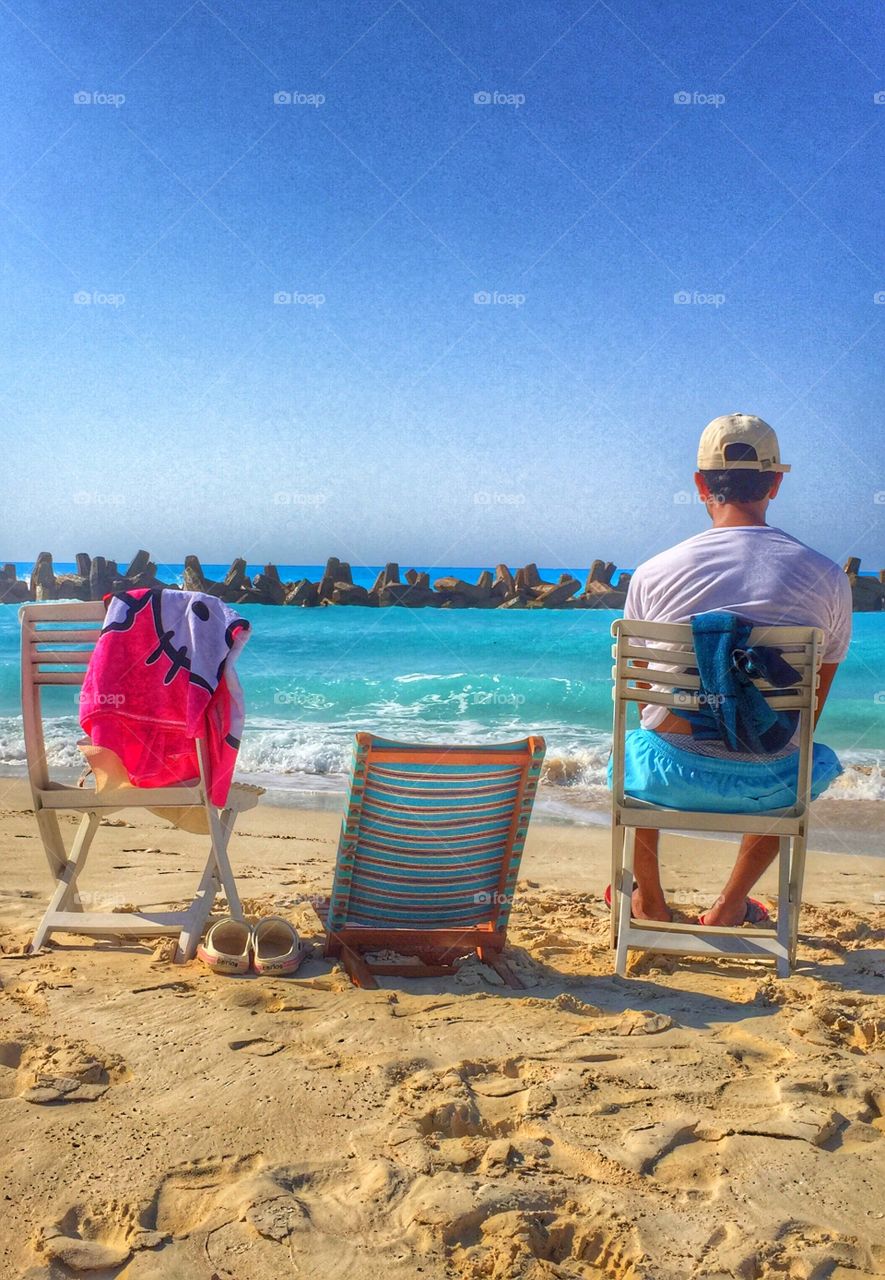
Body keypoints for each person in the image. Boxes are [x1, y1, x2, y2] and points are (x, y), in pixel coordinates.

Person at [620, 413, 852, 926]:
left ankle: (650, 899)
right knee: (799, 750)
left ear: (701, 485)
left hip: (665, 781)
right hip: (771, 784)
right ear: (776, 482)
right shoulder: (827, 577)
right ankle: (730, 903)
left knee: (637, 743)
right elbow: (808, 713)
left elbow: (644, 704)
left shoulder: (653, 573)